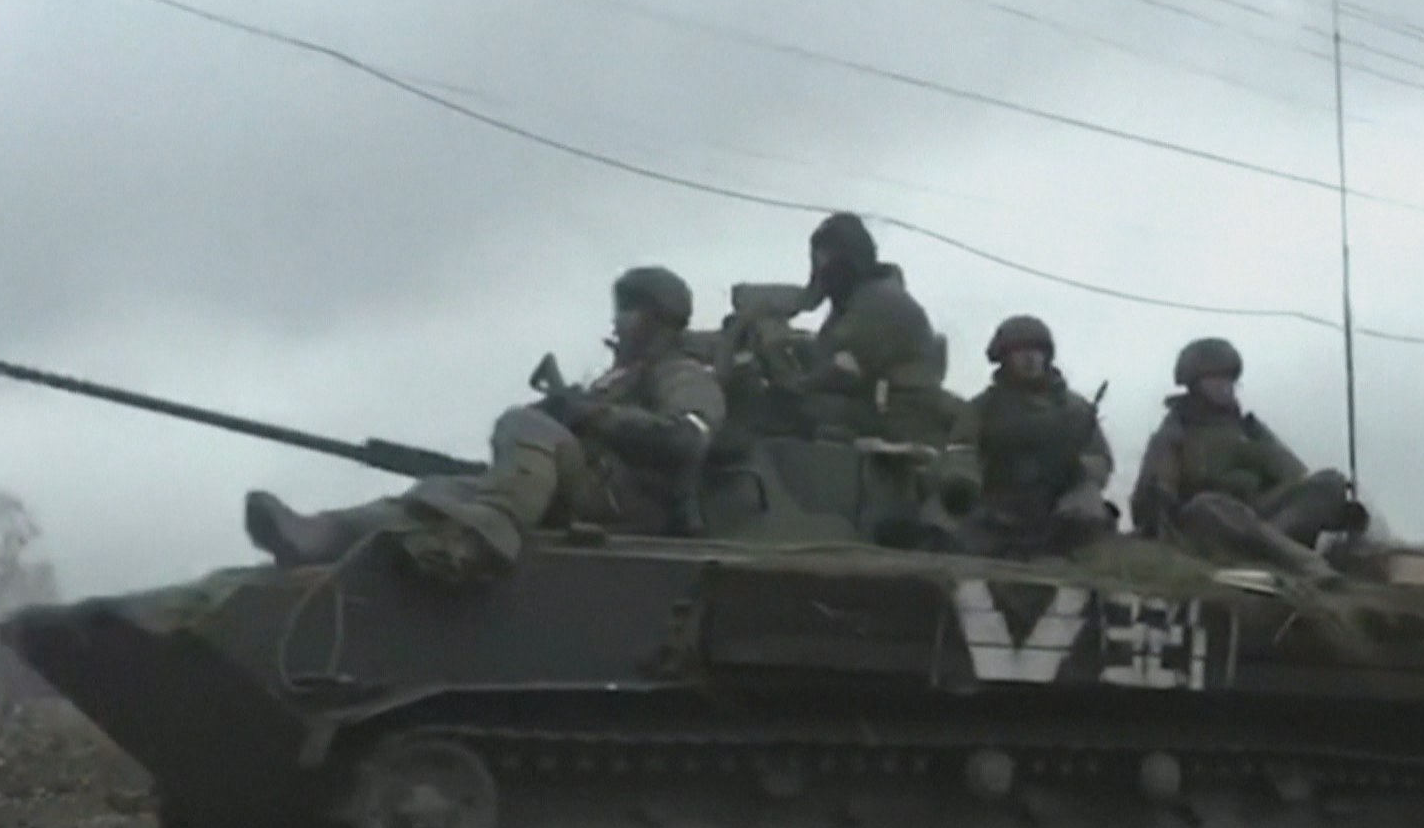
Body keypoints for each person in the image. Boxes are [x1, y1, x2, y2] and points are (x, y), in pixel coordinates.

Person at [242, 266, 724, 579]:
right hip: (579, 493)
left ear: (660, 319)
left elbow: (688, 438)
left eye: (631, 310)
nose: (619, 322)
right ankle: (321, 535)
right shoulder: (615, 379)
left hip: (629, 503)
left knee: (524, 426)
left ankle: (482, 542)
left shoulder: (680, 372)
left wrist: (591, 415)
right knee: (439, 493)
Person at [1129, 337, 1364, 579]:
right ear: (1194, 385)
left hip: (1260, 516)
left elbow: (1295, 475)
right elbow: (1152, 497)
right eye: (1215, 379)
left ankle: (1268, 550)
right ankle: (1304, 562)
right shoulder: (1177, 431)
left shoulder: (1249, 430)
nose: (1225, 386)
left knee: (1330, 482)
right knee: (1209, 506)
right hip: (1210, 522)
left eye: (1229, 379)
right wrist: (1159, 498)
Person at [936, 316, 1114, 558]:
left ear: (1046, 356)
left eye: (1036, 351)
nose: (1030, 358)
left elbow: (1098, 456)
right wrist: (962, 484)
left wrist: (1083, 482)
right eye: (1019, 352)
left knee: (1090, 524)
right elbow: (961, 451)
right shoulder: (982, 408)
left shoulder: (1076, 410)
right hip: (995, 513)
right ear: (1005, 358)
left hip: (1059, 514)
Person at [792, 213, 948, 443]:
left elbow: (833, 359)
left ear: (849, 258)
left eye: (826, 256)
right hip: (889, 409)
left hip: (902, 418)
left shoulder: (878, 302)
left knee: (793, 410)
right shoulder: (860, 296)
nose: (821, 266)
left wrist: (790, 380)